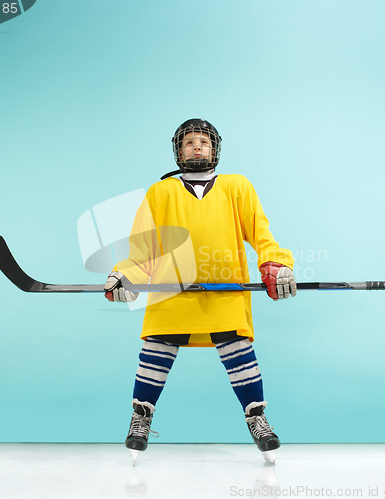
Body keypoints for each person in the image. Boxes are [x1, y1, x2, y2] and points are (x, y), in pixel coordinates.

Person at [104, 118, 296, 463]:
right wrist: (127, 276)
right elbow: (142, 248)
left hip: (226, 290)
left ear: (215, 150)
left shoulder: (238, 186)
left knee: (237, 346)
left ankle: (257, 418)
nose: (197, 146)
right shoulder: (160, 192)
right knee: (157, 349)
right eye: (190, 142)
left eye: (204, 142)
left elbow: (263, 236)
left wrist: (276, 264)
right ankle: (141, 418)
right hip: (171, 292)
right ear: (179, 151)